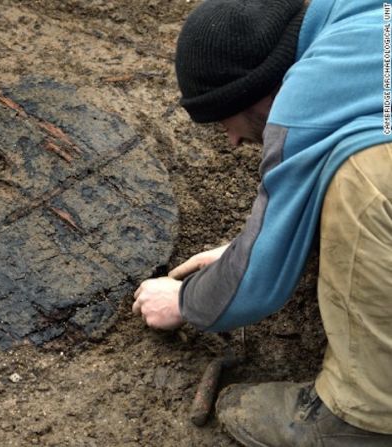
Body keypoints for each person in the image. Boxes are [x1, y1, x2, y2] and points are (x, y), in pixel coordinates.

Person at [131, 0, 392, 444]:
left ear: (254, 89)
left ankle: (361, 416)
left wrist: (185, 302)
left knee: (362, 178)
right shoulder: (362, 14)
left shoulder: (304, 98)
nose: (232, 140)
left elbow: (257, 285)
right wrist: (251, 246)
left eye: (223, 121)